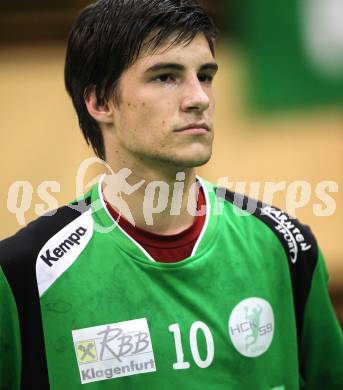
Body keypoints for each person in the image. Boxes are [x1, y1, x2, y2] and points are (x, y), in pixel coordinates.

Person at [0, 0, 342, 389]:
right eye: (165, 77)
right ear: (99, 102)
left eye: (206, 75)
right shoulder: (22, 274)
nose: (199, 98)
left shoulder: (284, 247)